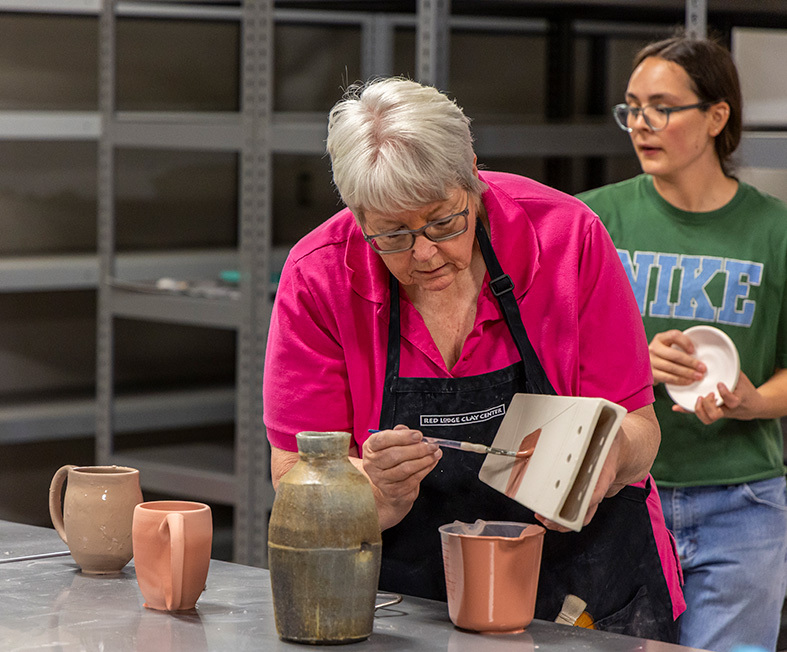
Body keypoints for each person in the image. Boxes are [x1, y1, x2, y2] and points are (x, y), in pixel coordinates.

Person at [263, 77, 684, 641]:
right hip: (407, 609)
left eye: (444, 221)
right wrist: (371, 490)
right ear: (360, 218)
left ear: (473, 181)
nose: (425, 254)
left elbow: (641, 428)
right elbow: (297, 478)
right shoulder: (319, 275)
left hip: (585, 592)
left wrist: (605, 457)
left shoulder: (566, 237)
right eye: (391, 236)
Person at [577, 34, 787, 652]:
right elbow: (550, 360)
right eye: (632, 108)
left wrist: (750, 400)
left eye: (662, 108)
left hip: (741, 504)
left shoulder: (774, 230)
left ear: (717, 116)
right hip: (619, 498)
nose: (641, 124)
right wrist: (632, 365)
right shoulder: (594, 221)